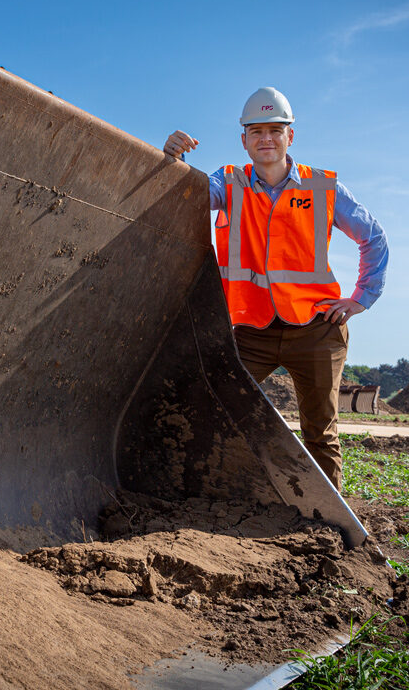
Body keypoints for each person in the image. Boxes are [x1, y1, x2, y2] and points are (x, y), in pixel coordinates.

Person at [163, 87, 388, 491]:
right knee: (217, 408)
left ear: (290, 137)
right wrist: (173, 160)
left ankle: (331, 523)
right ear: (244, 139)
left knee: (320, 431)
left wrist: (361, 298)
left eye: (275, 130)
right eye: (257, 131)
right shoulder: (227, 183)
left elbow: (373, 238)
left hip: (317, 331)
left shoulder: (323, 189)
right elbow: (183, 193)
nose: (266, 138)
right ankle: (215, 494)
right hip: (251, 330)